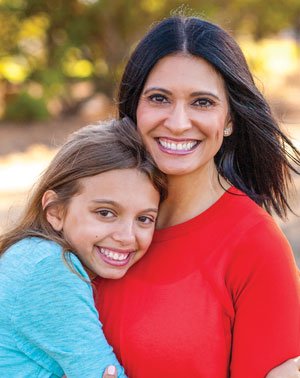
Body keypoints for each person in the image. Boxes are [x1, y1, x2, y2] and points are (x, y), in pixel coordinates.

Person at [93, 15, 300, 377]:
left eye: (202, 102)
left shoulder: (255, 246)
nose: (177, 122)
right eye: (159, 98)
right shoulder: (90, 215)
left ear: (230, 119)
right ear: (134, 109)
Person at [0, 118, 167, 377]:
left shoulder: (29, 252)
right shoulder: (47, 266)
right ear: (55, 211)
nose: (126, 236)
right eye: (105, 212)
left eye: (144, 219)